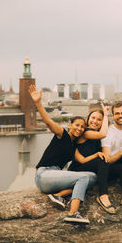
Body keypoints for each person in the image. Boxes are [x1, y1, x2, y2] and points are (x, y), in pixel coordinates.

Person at [29, 85, 97, 224]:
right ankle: (73, 213)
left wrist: (99, 155)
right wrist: (37, 103)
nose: (80, 129)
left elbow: (83, 161)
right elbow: (48, 121)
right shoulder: (62, 133)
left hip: (56, 177)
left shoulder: (75, 145)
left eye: (82, 127)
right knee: (83, 177)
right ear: (70, 124)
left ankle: (58, 196)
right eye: (77, 125)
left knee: (93, 177)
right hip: (44, 175)